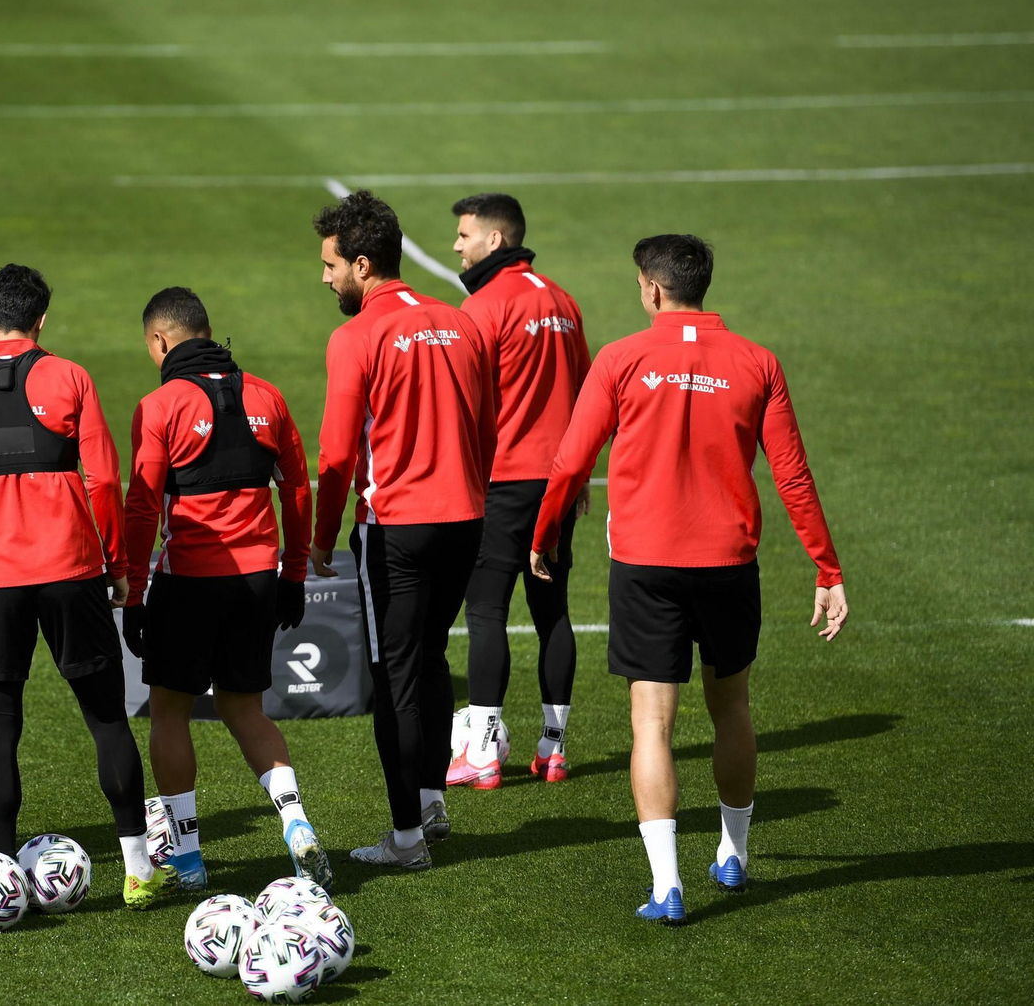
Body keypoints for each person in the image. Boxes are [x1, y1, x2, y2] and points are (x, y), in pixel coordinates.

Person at [531, 234, 849, 924]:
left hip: (645, 566)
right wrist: (826, 565)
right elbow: (791, 473)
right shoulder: (757, 361)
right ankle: (733, 855)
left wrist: (543, 534)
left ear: (650, 288)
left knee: (652, 722)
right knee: (731, 707)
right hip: (728, 565)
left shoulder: (621, 358)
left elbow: (570, 460)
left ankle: (667, 887)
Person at [0, 263, 176, 909]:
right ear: (41, 321)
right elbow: (105, 482)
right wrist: (115, 562)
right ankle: (139, 871)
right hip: (72, 573)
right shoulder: (70, 377)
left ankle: (0, 879)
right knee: (107, 720)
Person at [310, 190, 498, 871]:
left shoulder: (356, 336)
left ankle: (407, 840)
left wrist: (319, 540)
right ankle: (429, 801)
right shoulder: (461, 321)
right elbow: (487, 425)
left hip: (396, 529)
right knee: (428, 656)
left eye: (331, 265)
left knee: (394, 676)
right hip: (466, 521)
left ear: (363, 265)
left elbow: (335, 457)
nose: (325, 277)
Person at [120, 286, 331, 891]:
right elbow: (296, 491)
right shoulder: (267, 395)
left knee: (169, 711)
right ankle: (295, 823)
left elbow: (140, 508)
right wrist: (293, 574)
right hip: (259, 579)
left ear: (160, 341)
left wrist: (135, 594)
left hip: (188, 581)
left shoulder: (159, 405)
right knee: (246, 708)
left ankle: (187, 861)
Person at [447, 193, 592, 790]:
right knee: (552, 609)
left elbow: (465, 404)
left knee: (486, 611)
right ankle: (552, 749)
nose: (456, 245)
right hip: (556, 482)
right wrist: (578, 478)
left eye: (463, 235)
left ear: (495, 240)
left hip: (502, 481)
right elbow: (586, 396)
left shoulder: (483, 306)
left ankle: (481, 752)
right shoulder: (563, 300)